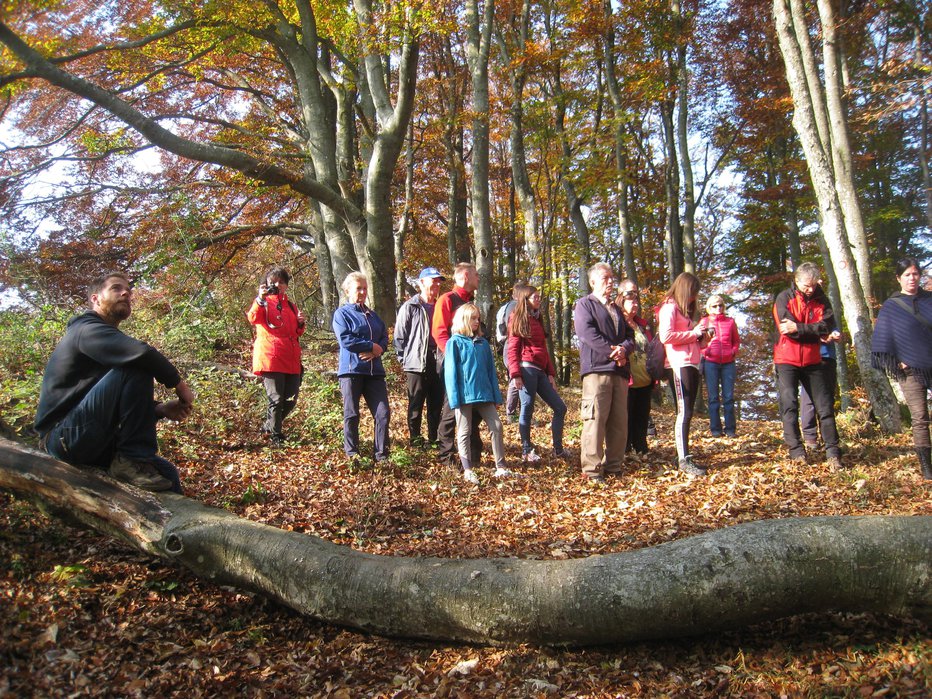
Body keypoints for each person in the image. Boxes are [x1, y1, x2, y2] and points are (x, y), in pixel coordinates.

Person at [34, 272, 194, 493]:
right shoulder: (84, 330)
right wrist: (179, 385)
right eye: (116, 288)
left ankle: (174, 524)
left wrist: (158, 409)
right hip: (62, 437)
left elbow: (108, 402)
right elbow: (142, 353)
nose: (126, 293)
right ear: (95, 299)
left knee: (167, 473)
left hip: (92, 437)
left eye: (128, 290)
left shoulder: (106, 340)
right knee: (136, 364)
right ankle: (130, 459)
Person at [772, 262, 843, 469]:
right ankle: (796, 452)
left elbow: (827, 325)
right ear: (796, 281)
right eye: (806, 286)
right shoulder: (784, 297)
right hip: (786, 359)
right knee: (790, 405)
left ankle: (833, 452)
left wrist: (802, 328)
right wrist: (814, 331)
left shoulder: (822, 300)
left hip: (813, 360)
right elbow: (787, 329)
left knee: (825, 406)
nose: (810, 289)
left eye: (813, 285)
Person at [573, 263, 635, 482]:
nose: (610, 281)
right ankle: (592, 470)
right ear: (592, 282)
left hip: (619, 372)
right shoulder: (584, 305)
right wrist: (613, 352)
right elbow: (587, 333)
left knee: (619, 421)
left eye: (612, 277)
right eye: (605, 278)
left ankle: (614, 467)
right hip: (596, 370)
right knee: (595, 420)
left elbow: (630, 335)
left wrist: (624, 349)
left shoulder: (616, 308)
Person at [871, 257, 932, 480]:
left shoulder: (929, 300)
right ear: (899, 278)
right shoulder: (891, 306)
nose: (912, 278)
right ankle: (927, 468)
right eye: (907, 275)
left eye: (915, 273)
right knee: (920, 418)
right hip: (910, 371)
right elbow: (883, 340)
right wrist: (898, 360)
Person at [444, 303, 510, 483]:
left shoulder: (483, 344)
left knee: (496, 426)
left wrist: (496, 397)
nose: (477, 321)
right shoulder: (454, 343)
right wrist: (454, 399)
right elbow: (450, 373)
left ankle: (501, 466)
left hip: (485, 395)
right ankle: (467, 469)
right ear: (464, 319)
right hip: (464, 396)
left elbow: (491, 373)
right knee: (464, 431)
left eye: (478, 318)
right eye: (473, 318)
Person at [332, 272, 390, 463]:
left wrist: (376, 350)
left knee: (383, 414)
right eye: (359, 288)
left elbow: (384, 336)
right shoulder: (342, 314)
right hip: (352, 371)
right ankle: (352, 454)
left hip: (375, 372)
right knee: (352, 414)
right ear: (348, 290)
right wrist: (370, 345)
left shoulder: (373, 315)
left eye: (365, 288)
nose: (363, 292)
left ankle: (382, 456)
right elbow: (346, 340)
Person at [507, 284, 567, 462]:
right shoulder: (517, 318)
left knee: (560, 408)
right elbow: (512, 349)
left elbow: (543, 349)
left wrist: (550, 373)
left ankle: (558, 449)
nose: (538, 300)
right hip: (526, 370)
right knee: (527, 409)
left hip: (540, 371)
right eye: (535, 297)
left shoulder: (537, 318)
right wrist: (515, 374)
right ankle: (526, 450)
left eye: (539, 297)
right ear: (525, 300)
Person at [658, 272, 710, 476]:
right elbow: (666, 336)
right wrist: (694, 333)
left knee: (688, 411)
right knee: (684, 411)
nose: (694, 298)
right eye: (692, 293)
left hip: (691, 363)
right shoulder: (669, 307)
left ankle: (684, 454)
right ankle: (683, 459)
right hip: (678, 364)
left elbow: (690, 340)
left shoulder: (684, 312)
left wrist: (702, 339)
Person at [247, 267, 306, 446]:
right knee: (276, 398)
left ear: (286, 285)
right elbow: (253, 318)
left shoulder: (290, 305)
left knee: (290, 399)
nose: (277, 285)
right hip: (270, 355)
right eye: (273, 281)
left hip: (290, 356)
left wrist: (301, 323)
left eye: (281, 282)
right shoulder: (263, 302)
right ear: (267, 284)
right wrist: (260, 298)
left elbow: (295, 332)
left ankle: (269, 426)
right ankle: (275, 436)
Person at [432, 263, 483, 467]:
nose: (479, 278)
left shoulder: (471, 302)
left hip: (473, 366)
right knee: (453, 408)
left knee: (477, 408)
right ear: (465, 275)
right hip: (452, 364)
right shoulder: (447, 300)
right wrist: (455, 357)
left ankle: (472, 454)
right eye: (476, 275)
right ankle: (446, 456)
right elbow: (439, 332)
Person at [394, 267, 445, 446]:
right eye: (434, 280)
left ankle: (434, 439)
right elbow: (399, 336)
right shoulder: (410, 306)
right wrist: (405, 360)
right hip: (416, 362)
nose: (437, 284)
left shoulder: (441, 306)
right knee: (416, 403)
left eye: (439, 281)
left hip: (439, 360)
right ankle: (415, 440)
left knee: (436, 403)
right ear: (422, 283)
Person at [616, 280, 654, 455]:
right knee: (626, 418)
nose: (636, 304)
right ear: (621, 300)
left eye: (637, 301)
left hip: (645, 380)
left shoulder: (642, 324)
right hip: (627, 380)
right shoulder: (617, 323)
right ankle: (624, 451)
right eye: (632, 300)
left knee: (642, 417)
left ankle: (641, 449)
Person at [700, 295, 741, 438]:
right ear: (709, 307)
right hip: (711, 363)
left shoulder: (730, 322)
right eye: (714, 306)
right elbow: (698, 343)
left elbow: (736, 341)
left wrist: (733, 351)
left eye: (720, 305)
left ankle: (730, 429)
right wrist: (706, 351)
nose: (718, 308)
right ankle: (715, 429)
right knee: (713, 397)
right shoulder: (704, 322)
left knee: (728, 397)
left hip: (728, 363)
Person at [800, 332, 841, 449]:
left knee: (827, 398)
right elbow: (797, 331)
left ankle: (828, 437)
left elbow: (837, 334)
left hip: (828, 357)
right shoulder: (806, 313)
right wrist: (817, 337)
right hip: (810, 356)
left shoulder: (829, 314)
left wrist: (835, 335)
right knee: (808, 397)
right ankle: (810, 438)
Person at [495, 287, 524, 421]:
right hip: (512, 345)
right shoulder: (514, 306)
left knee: (517, 377)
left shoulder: (506, 307)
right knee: (515, 377)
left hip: (507, 344)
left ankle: (517, 412)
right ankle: (511, 413)